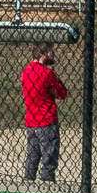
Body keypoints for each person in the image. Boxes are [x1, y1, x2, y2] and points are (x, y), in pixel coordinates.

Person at [20, 44, 68, 182]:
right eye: (51, 53)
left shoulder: (26, 71)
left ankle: (28, 180)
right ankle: (47, 181)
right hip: (46, 119)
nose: (53, 55)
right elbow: (62, 93)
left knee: (33, 155)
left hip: (31, 120)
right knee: (49, 155)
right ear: (44, 54)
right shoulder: (47, 73)